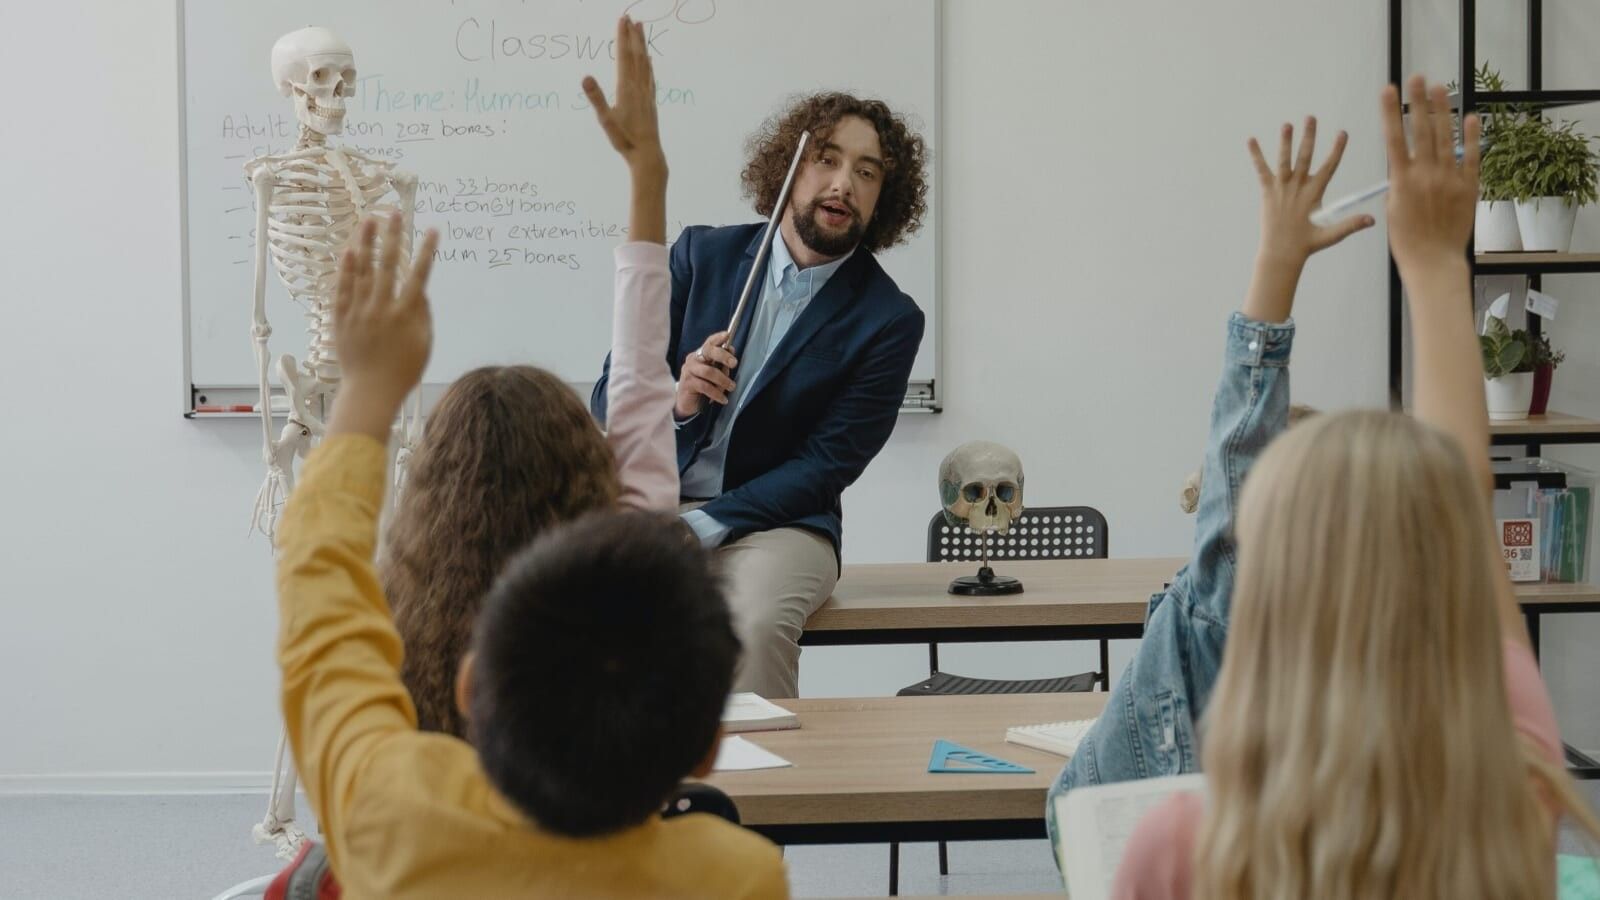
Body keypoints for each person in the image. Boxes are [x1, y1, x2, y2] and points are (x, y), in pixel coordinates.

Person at [271, 19, 788, 898]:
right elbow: (638, 381)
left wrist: (365, 393)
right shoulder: (733, 876)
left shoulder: (384, 810)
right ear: (703, 742)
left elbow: (317, 585)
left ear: (473, 686)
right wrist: (646, 177)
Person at [1108, 77, 1600, 900]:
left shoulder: (1186, 846)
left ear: (1264, 599)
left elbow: (1448, 493)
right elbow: (1463, 491)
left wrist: (1277, 261)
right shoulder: (1517, 791)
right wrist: (1439, 262)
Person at [1045, 106, 1375, 833]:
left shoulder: (1350, 630)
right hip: (1130, 839)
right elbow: (1241, 454)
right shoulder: (1226, 602)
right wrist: (1277, 265)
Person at [591, 91, 930, 698]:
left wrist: (699, 527)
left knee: (750, 628)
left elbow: (824, 468)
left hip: (783, 524)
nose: (843, 183)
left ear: (884, 198)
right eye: (826, 159)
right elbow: (609, 399)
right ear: (789, 168)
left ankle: (764, 792)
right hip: (655, 500)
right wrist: (680, 400)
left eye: (867, 171)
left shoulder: (889, 318)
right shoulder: (701, 255)